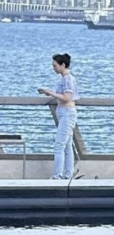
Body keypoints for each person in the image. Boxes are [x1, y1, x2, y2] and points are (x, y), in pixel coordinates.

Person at [37, 52, 78, 180]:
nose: (53, 68)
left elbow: (67, 97)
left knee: (59, 145)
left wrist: (50, 93)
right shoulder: (64, 79)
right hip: (63, 112)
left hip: (67, 113)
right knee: (67, 146)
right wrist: (50, 93)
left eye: (55, 65)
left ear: (63, 65)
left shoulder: (68, 79)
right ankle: (68, 174)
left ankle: (57, 175)